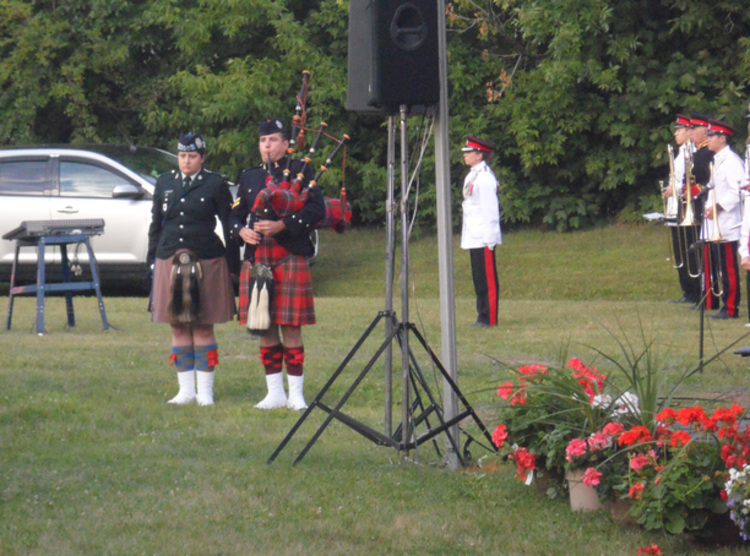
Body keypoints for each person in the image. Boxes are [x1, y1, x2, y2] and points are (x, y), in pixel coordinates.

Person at [229, 119, 325, 410]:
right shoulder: (249, 176)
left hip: (289, 254)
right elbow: (235, 215)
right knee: (264, 325)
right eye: (263, 140)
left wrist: (283, 225)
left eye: (273, 139)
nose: (267, 145)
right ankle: (275, 393)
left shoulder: (301, 170)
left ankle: (296, 394)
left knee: (291, 326)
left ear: (285, 143)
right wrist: (240, 231)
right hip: (258, 257)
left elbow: (316, 210)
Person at [147, 133, 237, 406]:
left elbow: (229, 225)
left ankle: (205, 392)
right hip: (169, 257)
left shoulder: (215, 183)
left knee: (203, 325)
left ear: (202, 158)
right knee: (177, 325)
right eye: (183, 156)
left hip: (206, 259)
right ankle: (186, 391)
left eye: (192, 156)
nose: (186, 161)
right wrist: (152, 261)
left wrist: (234, 264)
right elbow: (156, 224)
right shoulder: (164, 182)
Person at [702, 118, 743, 319]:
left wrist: (718, 207)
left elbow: (738, 191)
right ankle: (725, 304)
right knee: (723, 269)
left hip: (728, 223)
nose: (708, 139)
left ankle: (730, 307)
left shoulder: (732, 161)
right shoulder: (718, 160)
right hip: (718, 223)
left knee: (729, 269)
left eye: (711, 136)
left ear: (722, 138)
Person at [460, 135, 501, 327]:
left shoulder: (485, 177)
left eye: (469, 152)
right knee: (479, 278)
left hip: (484, 235)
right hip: (474, 234)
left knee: (487, 279)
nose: (465, 155)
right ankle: (481, 314)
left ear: (479, 155)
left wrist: (490, 238)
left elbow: (490, 209)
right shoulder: (472, 175)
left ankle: (488, 317)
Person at [662, 114, 701, 305]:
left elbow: (690, 181)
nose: (676, 134)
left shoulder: (693, 153)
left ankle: (695, 290)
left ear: (688, 132)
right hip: (677, 206)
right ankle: (687, 290)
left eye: (680, 130)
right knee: (679, 251)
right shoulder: (679, 153)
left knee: (689, 249)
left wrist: (675, 189)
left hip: (687, 206)